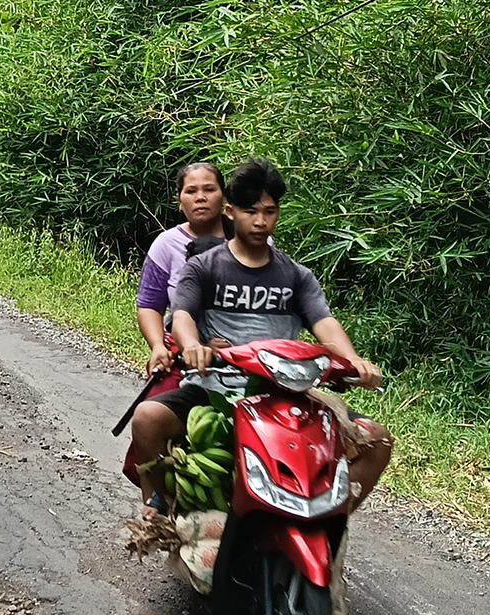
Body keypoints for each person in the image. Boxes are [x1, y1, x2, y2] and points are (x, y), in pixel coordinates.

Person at [131, 158, 393, 517]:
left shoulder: (296, 275)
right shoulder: (203, 268)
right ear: (231, 212)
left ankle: (329, 522)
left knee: (377, 440)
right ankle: (158, 505)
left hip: (286, 393)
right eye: (250, 211)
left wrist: (354, 361)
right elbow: (183, 316)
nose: (260, 222)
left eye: (269, 212)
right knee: (146, 418)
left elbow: (324, 322)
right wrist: (192, 347)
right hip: (215, 387)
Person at [135, 162, 229, 376]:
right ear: (179, 202)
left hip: (244, 357)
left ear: (224, 198)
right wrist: (158, 346)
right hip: (181, 356)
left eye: (209, 189)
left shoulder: (249, 241)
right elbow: (149, 305)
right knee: (149, 410)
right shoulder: (166, 244)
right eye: (191, 191)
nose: (200, 198)